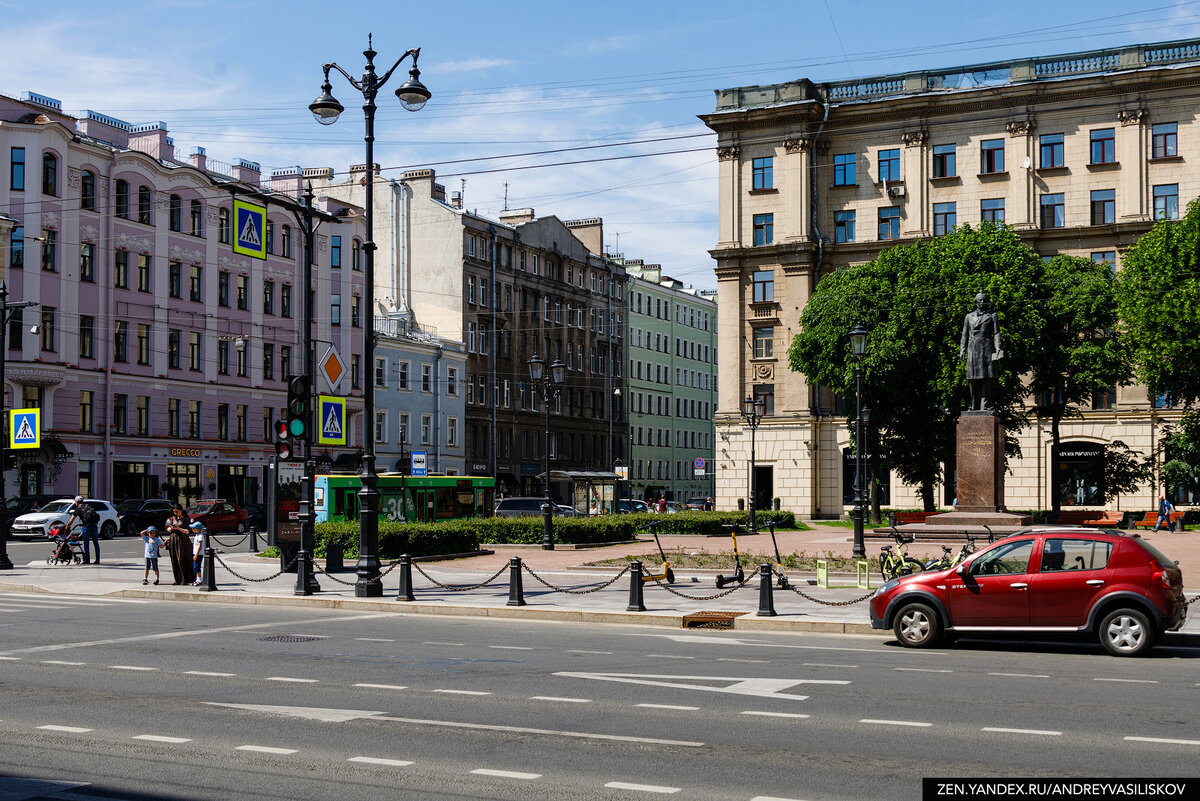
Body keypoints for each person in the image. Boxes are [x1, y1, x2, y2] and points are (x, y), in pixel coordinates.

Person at [959, 291, 1004, 411]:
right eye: (980, 300)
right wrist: (962, 349)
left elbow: (996, 333)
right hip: (973, 349)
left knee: (987, 377)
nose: (982, 302)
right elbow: (964, 334)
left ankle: (986, 405)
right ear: (975, 302)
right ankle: (974, 404)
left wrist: (998, 347)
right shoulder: (969, 316)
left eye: (984, 300)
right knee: (972, 378)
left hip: (987, 349)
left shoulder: (992, 315)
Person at [164, 504, 195, 585]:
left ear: (181, 510)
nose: (175, 513)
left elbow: (188, 531)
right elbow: (168, 528)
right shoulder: (173, 518)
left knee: (182, 559)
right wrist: (170, 529)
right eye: (174, 512)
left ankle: (185, 578)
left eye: (177, 511)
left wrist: (178, 528)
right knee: (174, 559)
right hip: (173, 540)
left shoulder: (186, 519)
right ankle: (177, 579)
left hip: (182, 540)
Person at [64, 495, 101, 565]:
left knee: (86, 543)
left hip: (86, 526)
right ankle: (97, 559)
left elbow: (71, 520)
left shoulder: (78, 509)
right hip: (94, 525)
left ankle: (87, 560)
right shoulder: (88, 506)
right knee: (95, 542)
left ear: (76, 502)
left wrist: (67, 527)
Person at [190, 521, 206, 586]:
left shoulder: (200, 536)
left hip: (198, 554)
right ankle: (197, 579)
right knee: (195, 567)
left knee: (197, 566)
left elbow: (200, 546)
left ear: (198, 529)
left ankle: (199, 579)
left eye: (194, 528)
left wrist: (196, 554)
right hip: (196, 553)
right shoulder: (197, 535)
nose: (192, 530)